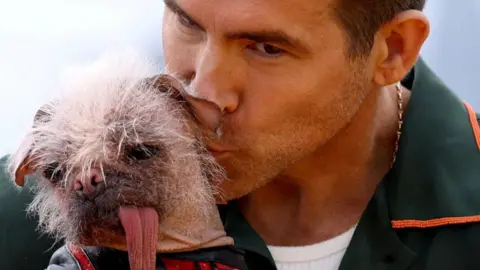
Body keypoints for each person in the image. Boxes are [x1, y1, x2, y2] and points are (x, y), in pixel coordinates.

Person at [1, 0, 479, 269]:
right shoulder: (39, 199)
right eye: (186, 21)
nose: (203, 89)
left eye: (267, 48)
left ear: (392, 51)